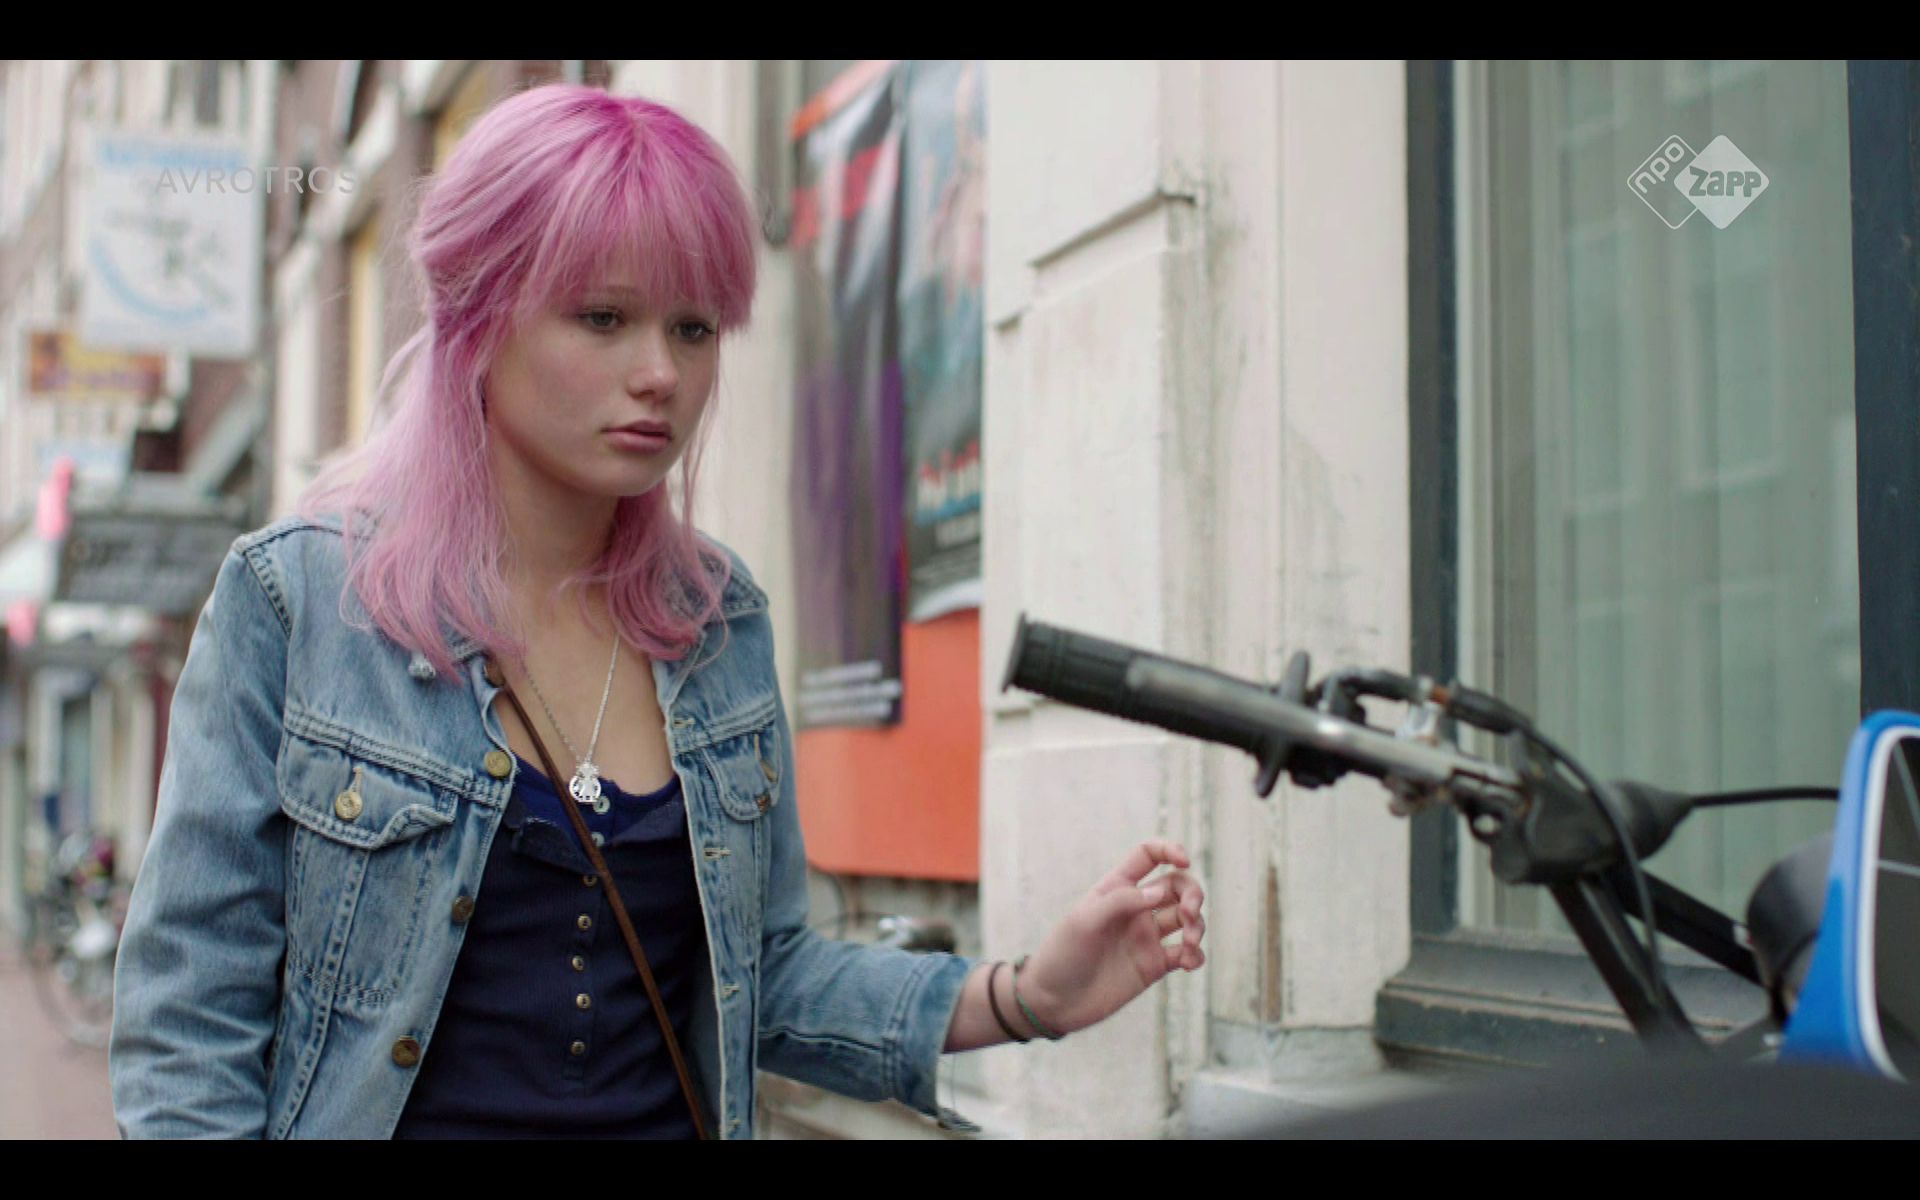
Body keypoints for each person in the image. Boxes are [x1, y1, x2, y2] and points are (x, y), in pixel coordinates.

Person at [108, 81, 1207, 1140]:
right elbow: (189, 1023)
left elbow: (764, 974)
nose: (661, 375)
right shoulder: (299, 602)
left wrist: (1025, 994)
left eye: (693, 328)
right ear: (477, 318)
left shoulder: (716, 624)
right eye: (603, 317)